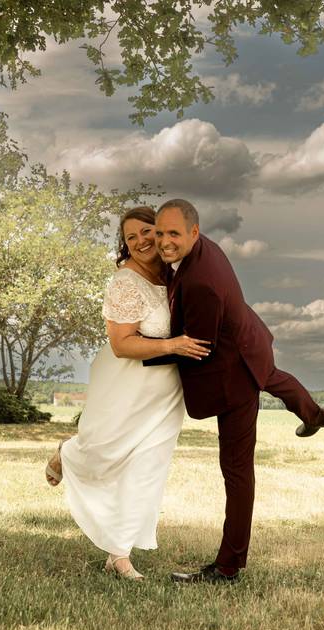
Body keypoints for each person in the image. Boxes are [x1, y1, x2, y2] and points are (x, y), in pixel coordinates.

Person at [150, 198, 324, 585]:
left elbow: (196, 348)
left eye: (173, 234)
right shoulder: (203, 249)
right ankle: (314, 414)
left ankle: (228, 566)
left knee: (236, 472)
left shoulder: (200, 282)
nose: (164, 241)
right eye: (160, 232)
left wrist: (144, 356)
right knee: (270, 375)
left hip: (232, 370)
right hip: (247, 342)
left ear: (193, 233)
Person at [44, 206, 210, 580]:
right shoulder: (124, 282)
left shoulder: (175, 276)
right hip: (124, 382)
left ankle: (119, 555)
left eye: (146, 232)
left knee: (147, 468)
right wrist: (174, 346)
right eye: (130, 237)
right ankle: (68, 453)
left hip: (166, 391)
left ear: (163, 232)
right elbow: (121, 344)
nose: (140, 242)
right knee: (103, 453)